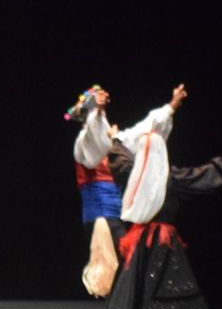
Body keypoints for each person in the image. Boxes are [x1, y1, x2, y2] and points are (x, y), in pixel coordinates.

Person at [91, 85, 222, 309]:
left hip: (138, 242)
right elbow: (208, 175)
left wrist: (114, 138)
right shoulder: (171, 179)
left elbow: (120, 153)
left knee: (135, 296)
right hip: (164, 246)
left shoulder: (129, 170)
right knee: (165, 301)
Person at [71, 84, 181, 297]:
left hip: (115, 209)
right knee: (123, 255)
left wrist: (172, 106)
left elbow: (144, 128)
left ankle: (129, 298)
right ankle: (128, 299)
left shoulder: (116, 140)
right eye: (94, 113)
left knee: (127, 256)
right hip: (98, 214)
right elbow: (95, 148)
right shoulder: (83, 143)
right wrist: (97, 111)